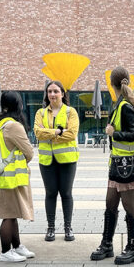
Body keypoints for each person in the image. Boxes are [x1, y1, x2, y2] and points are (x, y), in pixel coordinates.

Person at [90, 66, 134, 264]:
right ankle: (107, 244)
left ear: (111, 84)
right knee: (110, 203)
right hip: (118, 165)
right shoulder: (120, 104)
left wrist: (114, 134)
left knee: (129, 204)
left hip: (128, 166)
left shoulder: (125, 106)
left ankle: (133, 247)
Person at [0, 91, 35, 262]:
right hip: (12, 178)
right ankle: (5, 251)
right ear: (19, 105)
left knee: (13, 213)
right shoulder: (14, 126)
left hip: (2, 176)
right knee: (9, 215)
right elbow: (29, 152)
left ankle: (17, 247)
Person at [34, 80, 80, 242]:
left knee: (66, 193)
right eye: (49, 91)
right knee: (50, 193)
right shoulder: (40, 113)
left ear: (62, 93)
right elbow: (38, 133)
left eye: (55, 91)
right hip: (47, 160)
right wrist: (59, 131)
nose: (52, 94)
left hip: (67, 160)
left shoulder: (70, 112)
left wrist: (50, 133)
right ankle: (51, 228)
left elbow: (72, 134)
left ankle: (68, 228)